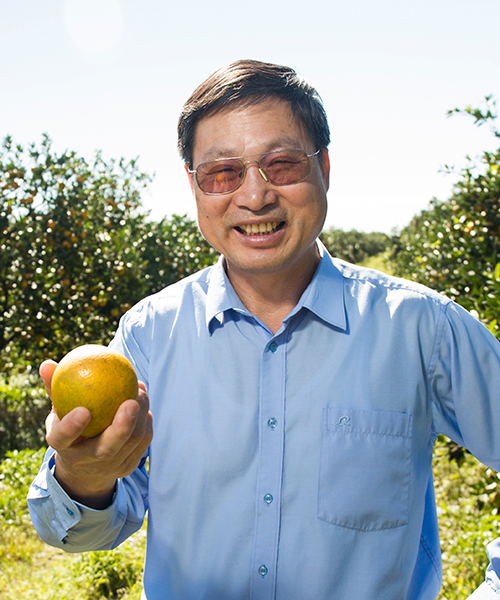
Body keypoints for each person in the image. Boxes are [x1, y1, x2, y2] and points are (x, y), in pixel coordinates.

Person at [28, 59, 500, 600]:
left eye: (280, 164)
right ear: (194, 187)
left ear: (324, 167)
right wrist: (85, 477)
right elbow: (83, 532)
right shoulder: (149, 336)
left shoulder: (421, 329)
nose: (254, 196)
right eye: (223, 173)